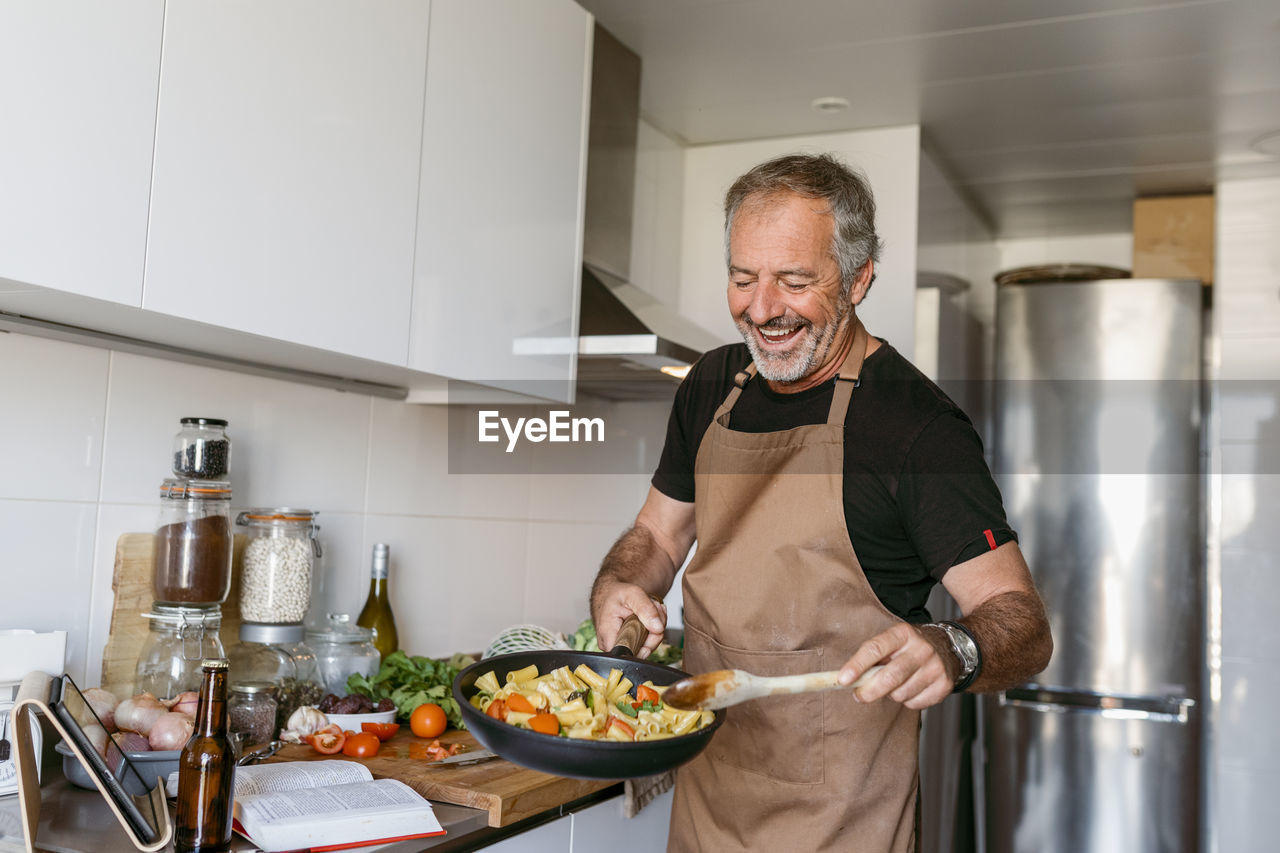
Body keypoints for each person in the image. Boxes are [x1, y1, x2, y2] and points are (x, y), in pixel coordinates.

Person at [589, 152, 1052, 852]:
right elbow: (656, 538)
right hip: (706, 814)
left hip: (844, 827)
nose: (762, 307)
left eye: (794, 281)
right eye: (743, 278)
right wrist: (621, 581)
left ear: (859, 278)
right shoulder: (712, 384)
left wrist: (956, 645)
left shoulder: (917, 428)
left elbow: (1024, 623)